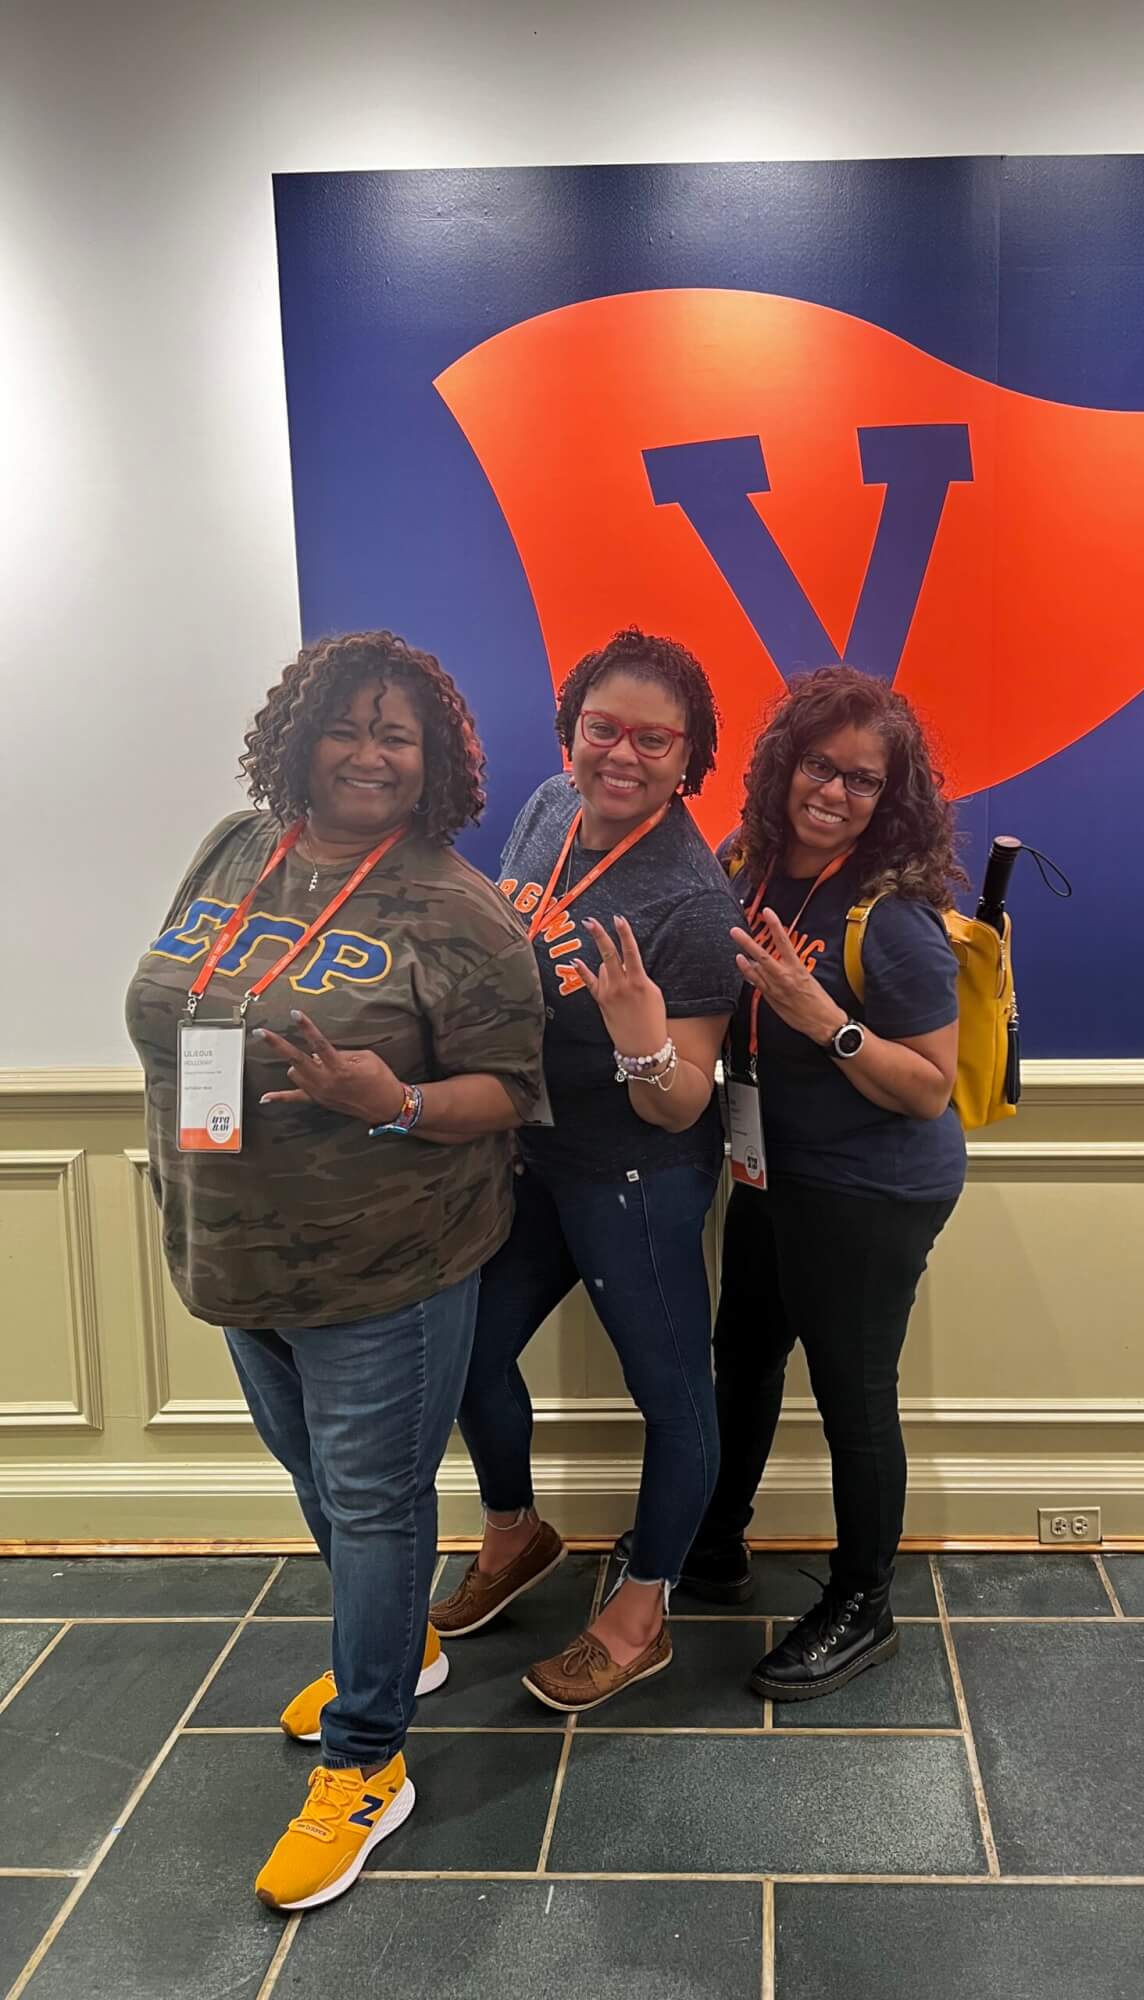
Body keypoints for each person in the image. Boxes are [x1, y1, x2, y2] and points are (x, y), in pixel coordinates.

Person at [125, 631, 547, 1911]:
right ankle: (397, 1644)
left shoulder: (460, 911)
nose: (368, 753)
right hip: (231, 1249)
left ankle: (369, 1760)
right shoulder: (233, 849)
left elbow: (511, 1095)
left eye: (397, 736)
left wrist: (396, 1096)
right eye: (348, 728)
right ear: (300, 735)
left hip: (385, 1271)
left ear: (435, 767)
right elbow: (185, 1009)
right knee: (323, 1482)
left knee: (373, 1505)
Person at [430, 628, 744, 1713]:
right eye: (604, 727)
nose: (625, 753)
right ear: (571, 735)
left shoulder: (693, 901)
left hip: (633, 1177)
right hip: (531, 1156)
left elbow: (687, 1098)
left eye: (655, 738)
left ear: (689, 757)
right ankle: (516, 1532)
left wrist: (641, 1035)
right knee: (463, 1355)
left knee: (673, 1395)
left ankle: (642, 1610)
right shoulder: (544, 813)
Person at [689, 665, 967, 1698]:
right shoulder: (747, 866)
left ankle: (865, 1603)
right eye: (820, 764)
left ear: (887, 799)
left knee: (854, 1394)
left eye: (862, 780)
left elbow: (929, 1087)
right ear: (783, 763)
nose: (834, 791)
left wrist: (827, 1018)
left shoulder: (892, 918)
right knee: (745, 1356)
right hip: (772, 1170)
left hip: (871, 1189)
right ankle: (716, 1541)